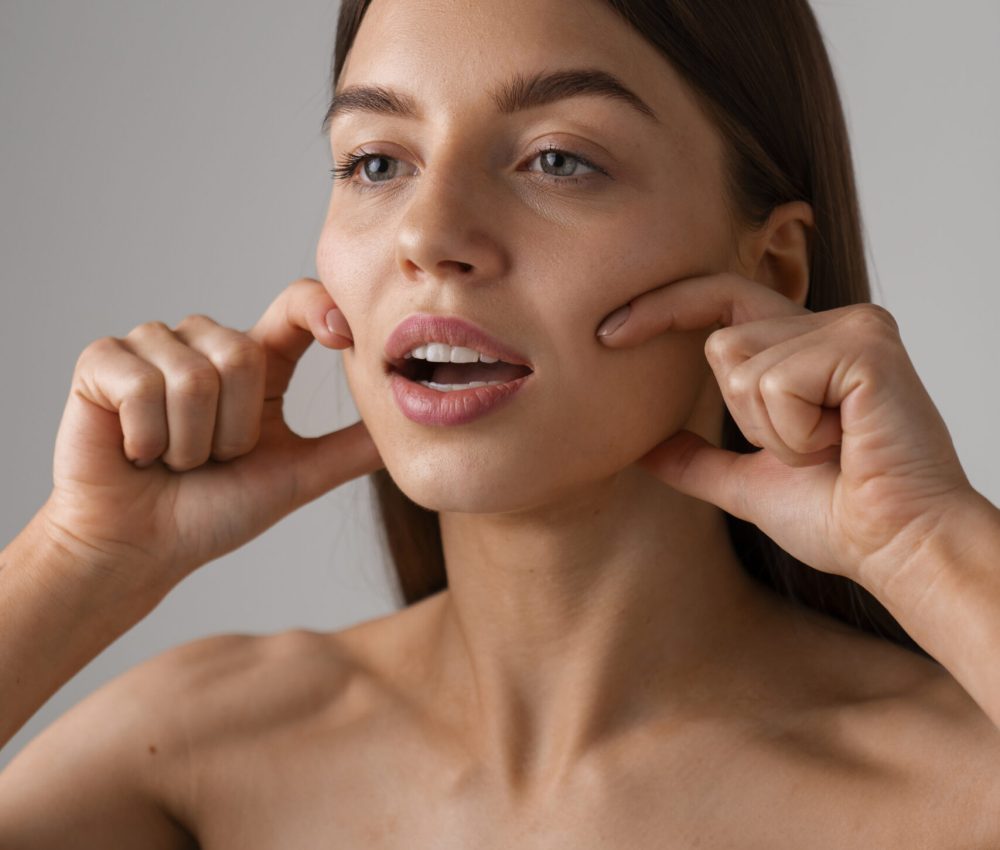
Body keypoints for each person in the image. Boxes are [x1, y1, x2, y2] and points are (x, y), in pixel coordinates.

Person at [2, 0, 999, 844]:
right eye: (377, 162)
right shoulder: (191, 760)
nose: (429, 236)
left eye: (556, 159)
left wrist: (924, 542)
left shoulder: (951, 793)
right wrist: (79, 559)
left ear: (771, 267)